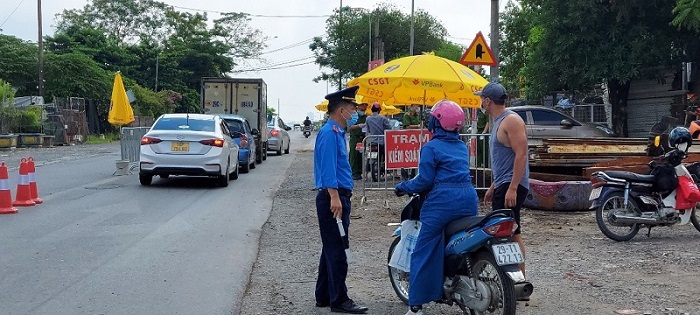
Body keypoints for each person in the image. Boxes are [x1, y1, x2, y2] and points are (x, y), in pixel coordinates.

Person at [394, 100, 479, 315]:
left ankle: (415, 306)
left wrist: (402, 186)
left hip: (442, 203)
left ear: (436, 122)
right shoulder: (462, 146)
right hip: (468, 200)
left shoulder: (430, 148)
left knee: (423, 250)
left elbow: (424, 181)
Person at [313, 86, 369, 314]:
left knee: (331, 246)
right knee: (338, 249)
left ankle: (324, 294)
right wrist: (334, 196)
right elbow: (328, 168)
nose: (355, 111)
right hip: (332, 198)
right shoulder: (329, 133)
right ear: (341, 110)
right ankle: (340, 299)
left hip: (337, 196)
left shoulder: (337, 131)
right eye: (352, 108)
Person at [477, 82, 530, 280]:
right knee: (511, 231)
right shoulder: (498, 121)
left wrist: (513, 187)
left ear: (488, 101)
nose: (480, 103)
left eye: (482, 99)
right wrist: (494, 185)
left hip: (511, 184)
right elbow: (504, 160)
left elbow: (521, 155)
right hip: (505, 183)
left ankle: (513, 281)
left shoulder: (511, 121)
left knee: (505, 233)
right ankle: (517, 281)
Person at [348, 102, 368, 180]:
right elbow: (349, 127)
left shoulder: (366, 117)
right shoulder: (353, 116)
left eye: (366, 105)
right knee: (353, 155)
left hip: (362, 138)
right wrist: (358, 126)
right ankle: (353, 172)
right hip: (354, 138)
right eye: (363, 105)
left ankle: (359, 172)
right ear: (358, 106)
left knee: (361, 155)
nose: (364, 107)